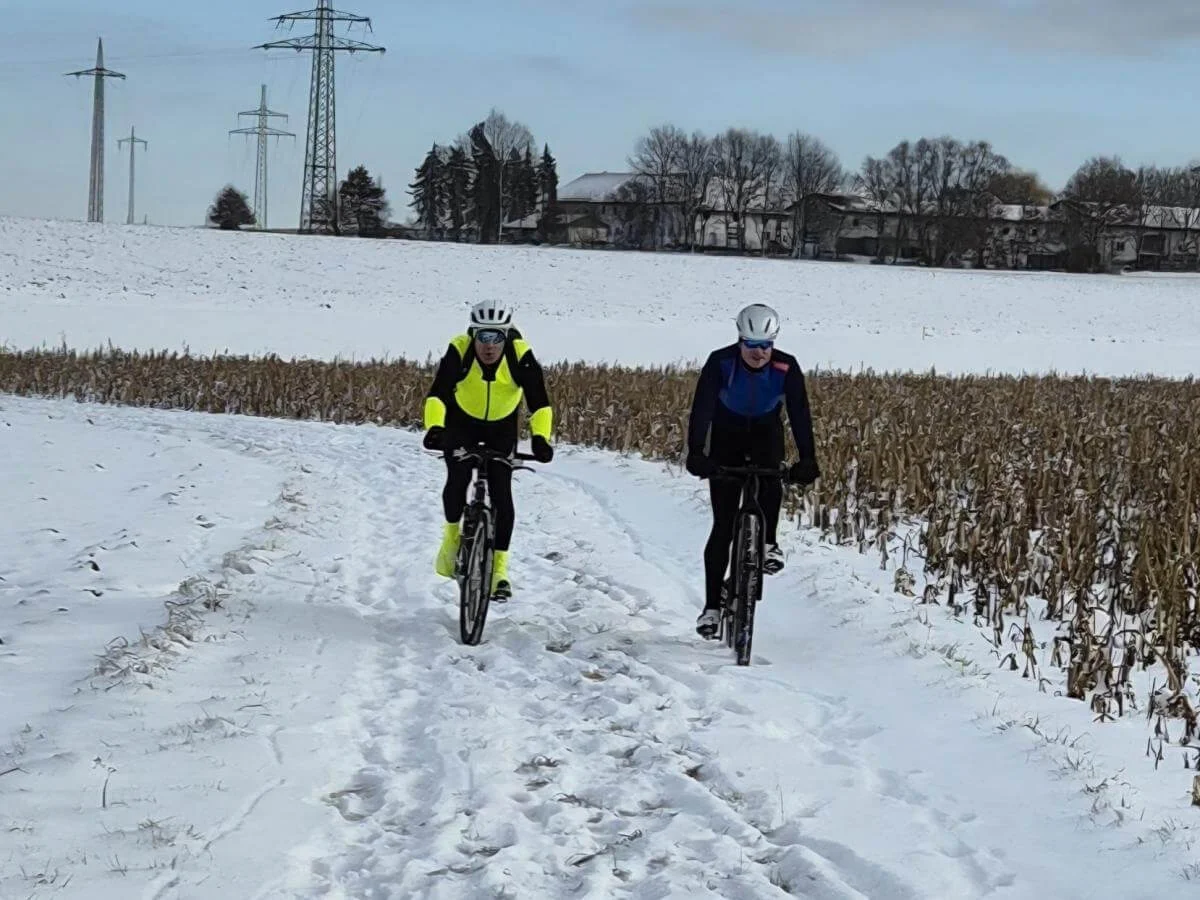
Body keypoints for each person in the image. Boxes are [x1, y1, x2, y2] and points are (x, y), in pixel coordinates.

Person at [685, 303, 820, 638]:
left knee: (771, 481)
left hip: (765, 433)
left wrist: (808, 459)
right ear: (739, 340)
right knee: (723, 526)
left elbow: (800, 414)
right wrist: (696, 453)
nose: (758, 354)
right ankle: (712, 608)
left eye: (765, 346)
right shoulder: (721, 362)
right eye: (751, 345)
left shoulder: (786, 367)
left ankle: (769, 543)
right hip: (726, 435)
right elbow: (702, 409)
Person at [422, 299, 554, 601]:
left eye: (496, 337)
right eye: (483, 336)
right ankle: (452, 540)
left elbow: (540, 403)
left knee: (502, 496)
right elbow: (438, 394)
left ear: (506, 336)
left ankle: (498, 572)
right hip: (461, 423)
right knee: (457, 480)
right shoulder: (460, 349)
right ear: (473, 334)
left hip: (501, 428)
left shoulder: (520, 355)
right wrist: (434, 428)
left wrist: (540, 439)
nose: (489, 345)